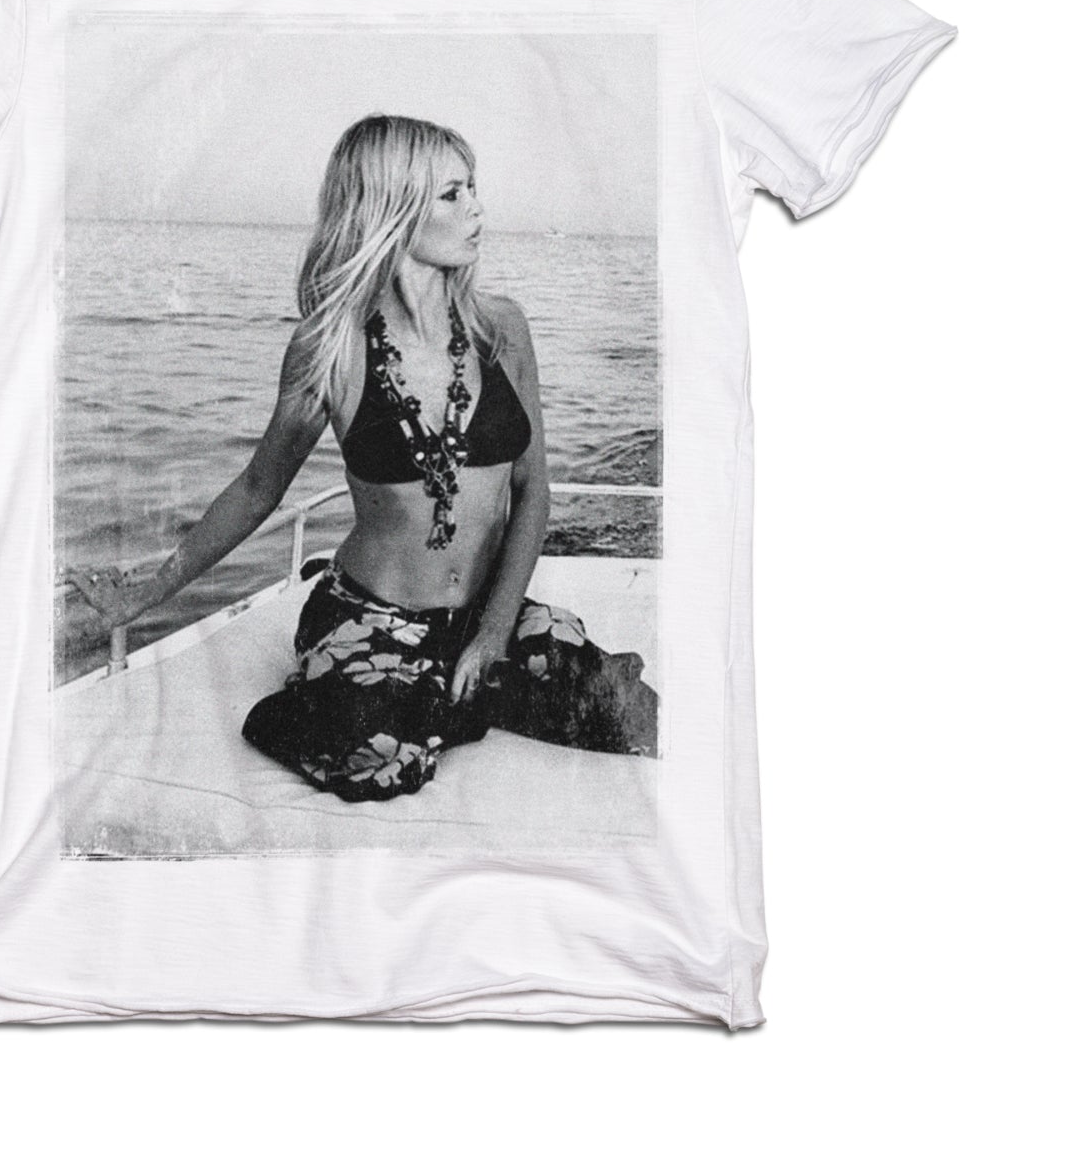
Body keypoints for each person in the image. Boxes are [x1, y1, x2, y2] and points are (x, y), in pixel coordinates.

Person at [63, 113, 658, 803]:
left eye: (473, 188)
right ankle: (376, 691)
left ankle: (437, 693)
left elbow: (533, 492)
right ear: (390, 211)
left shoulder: (503, 329)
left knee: (626, 714)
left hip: (481, 613)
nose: (478, 209)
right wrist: (144, 593)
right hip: (375, 612)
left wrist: (495, 633)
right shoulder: (330, 349)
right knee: (375, 759)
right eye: (453, 194)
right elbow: (257, 489)